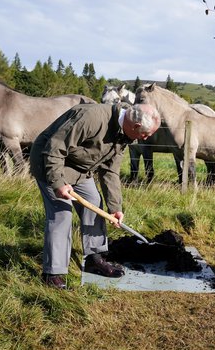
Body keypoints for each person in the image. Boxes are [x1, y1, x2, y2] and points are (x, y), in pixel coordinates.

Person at [30, 102, 161, 289]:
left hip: (80, 169)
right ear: (136, 126)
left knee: (94, 202)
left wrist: (115, 208)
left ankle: (94, 258)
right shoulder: (92, 118)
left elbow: (110, 171)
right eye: (145, 134)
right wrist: (58, 183)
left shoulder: (124, 135)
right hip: (50, 163)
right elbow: (55, 147)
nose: (145, 139)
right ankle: (53, 273)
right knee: (62, 215)